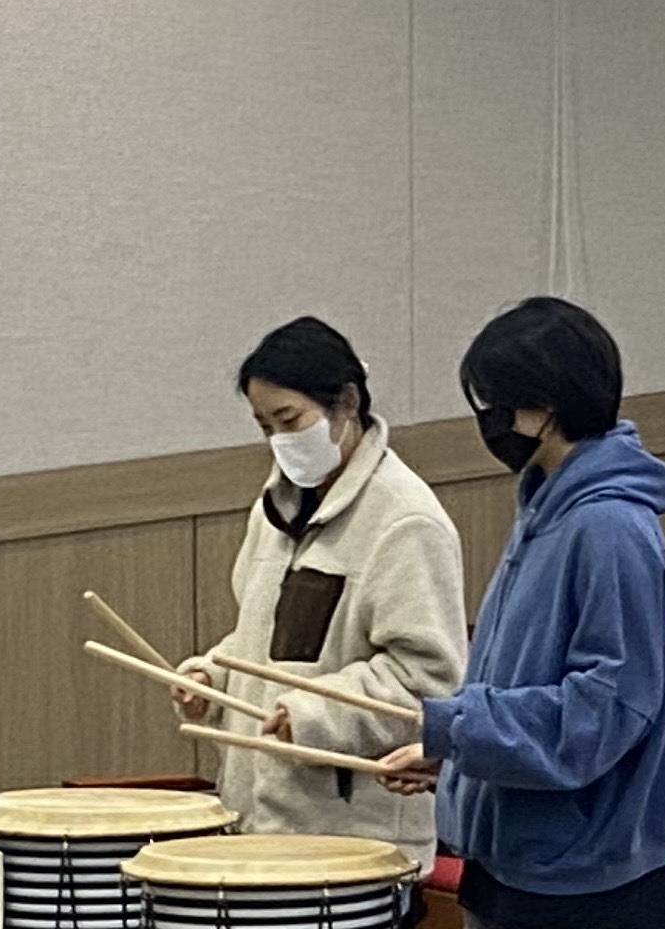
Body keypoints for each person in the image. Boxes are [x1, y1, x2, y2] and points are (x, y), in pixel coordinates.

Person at [373, 297, 665, 929]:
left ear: (544, 407)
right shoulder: (545, 512)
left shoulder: (609, 528)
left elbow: (604, 714)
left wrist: (463, 728)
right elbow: (519, 688)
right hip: (516, 864)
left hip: (588, 887)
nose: (488, 421)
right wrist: (458, 756)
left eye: (495, 402)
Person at [181, 317, 466, 851]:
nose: (280, 441)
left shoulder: (406, 520)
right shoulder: (273, 510)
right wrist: (213, 677)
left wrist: (313, 715)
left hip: (356, 841)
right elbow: (262, 644)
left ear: (348, 402)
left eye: (290, 419)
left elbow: (427, 681)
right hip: (260, 823)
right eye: (265, 427)